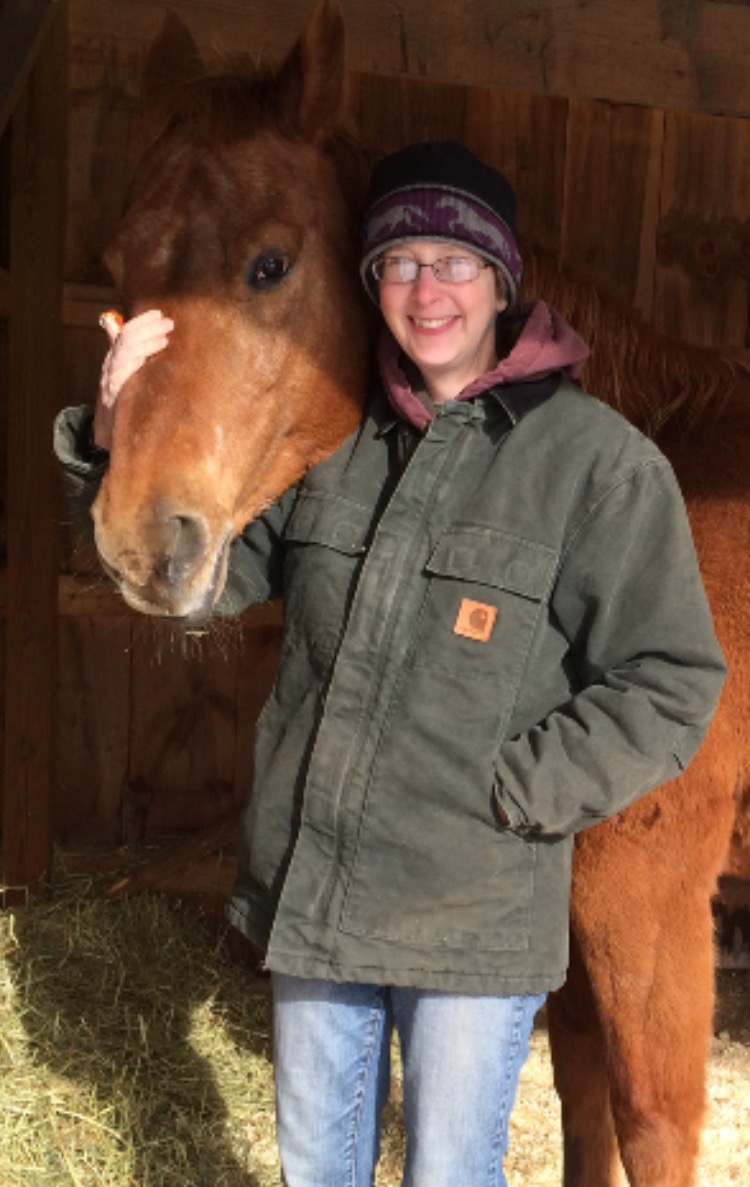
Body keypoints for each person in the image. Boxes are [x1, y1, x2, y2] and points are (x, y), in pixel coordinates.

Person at [55, 141, 726, 1187]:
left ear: (502, 279)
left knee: (448, 1173)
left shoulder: (597, 463)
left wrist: (514, 793)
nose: (429, 288)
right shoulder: (337, 445)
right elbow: (214, 579)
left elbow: (674, 678)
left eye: (455, 262)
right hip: (321, 907)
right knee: (321, 1172)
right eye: (402, 262)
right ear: (371, 284)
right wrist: (113, 442)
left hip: (471, 922)